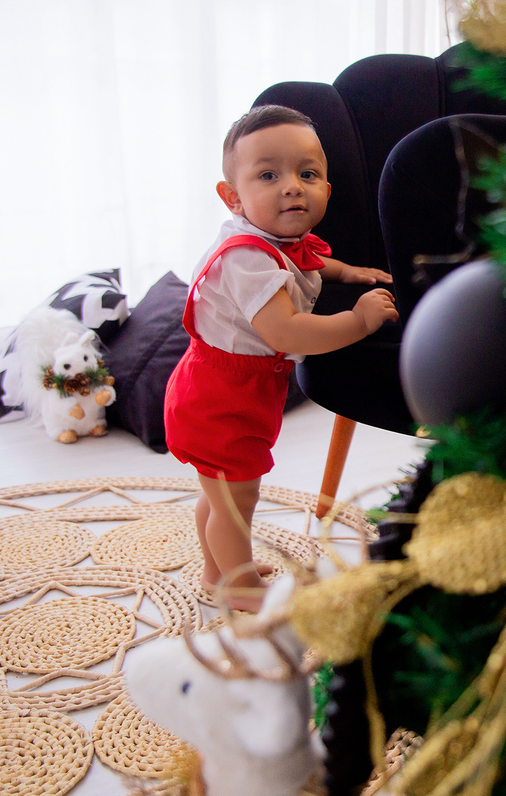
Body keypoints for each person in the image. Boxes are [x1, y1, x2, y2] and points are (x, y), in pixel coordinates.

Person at [164, 105, 398, 612]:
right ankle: (240, 586)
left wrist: (348, 273)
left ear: (326, 191)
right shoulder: (246, 258)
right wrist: (358, 321)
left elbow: (311, 261)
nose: (292, 186)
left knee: (220, 493)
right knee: (236, 501)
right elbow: (287, 329)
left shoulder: (282, 239)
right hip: (221, 398)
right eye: (268, 174)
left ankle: (215, 573)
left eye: (307, 173)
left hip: (228, 390)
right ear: (233, 198)